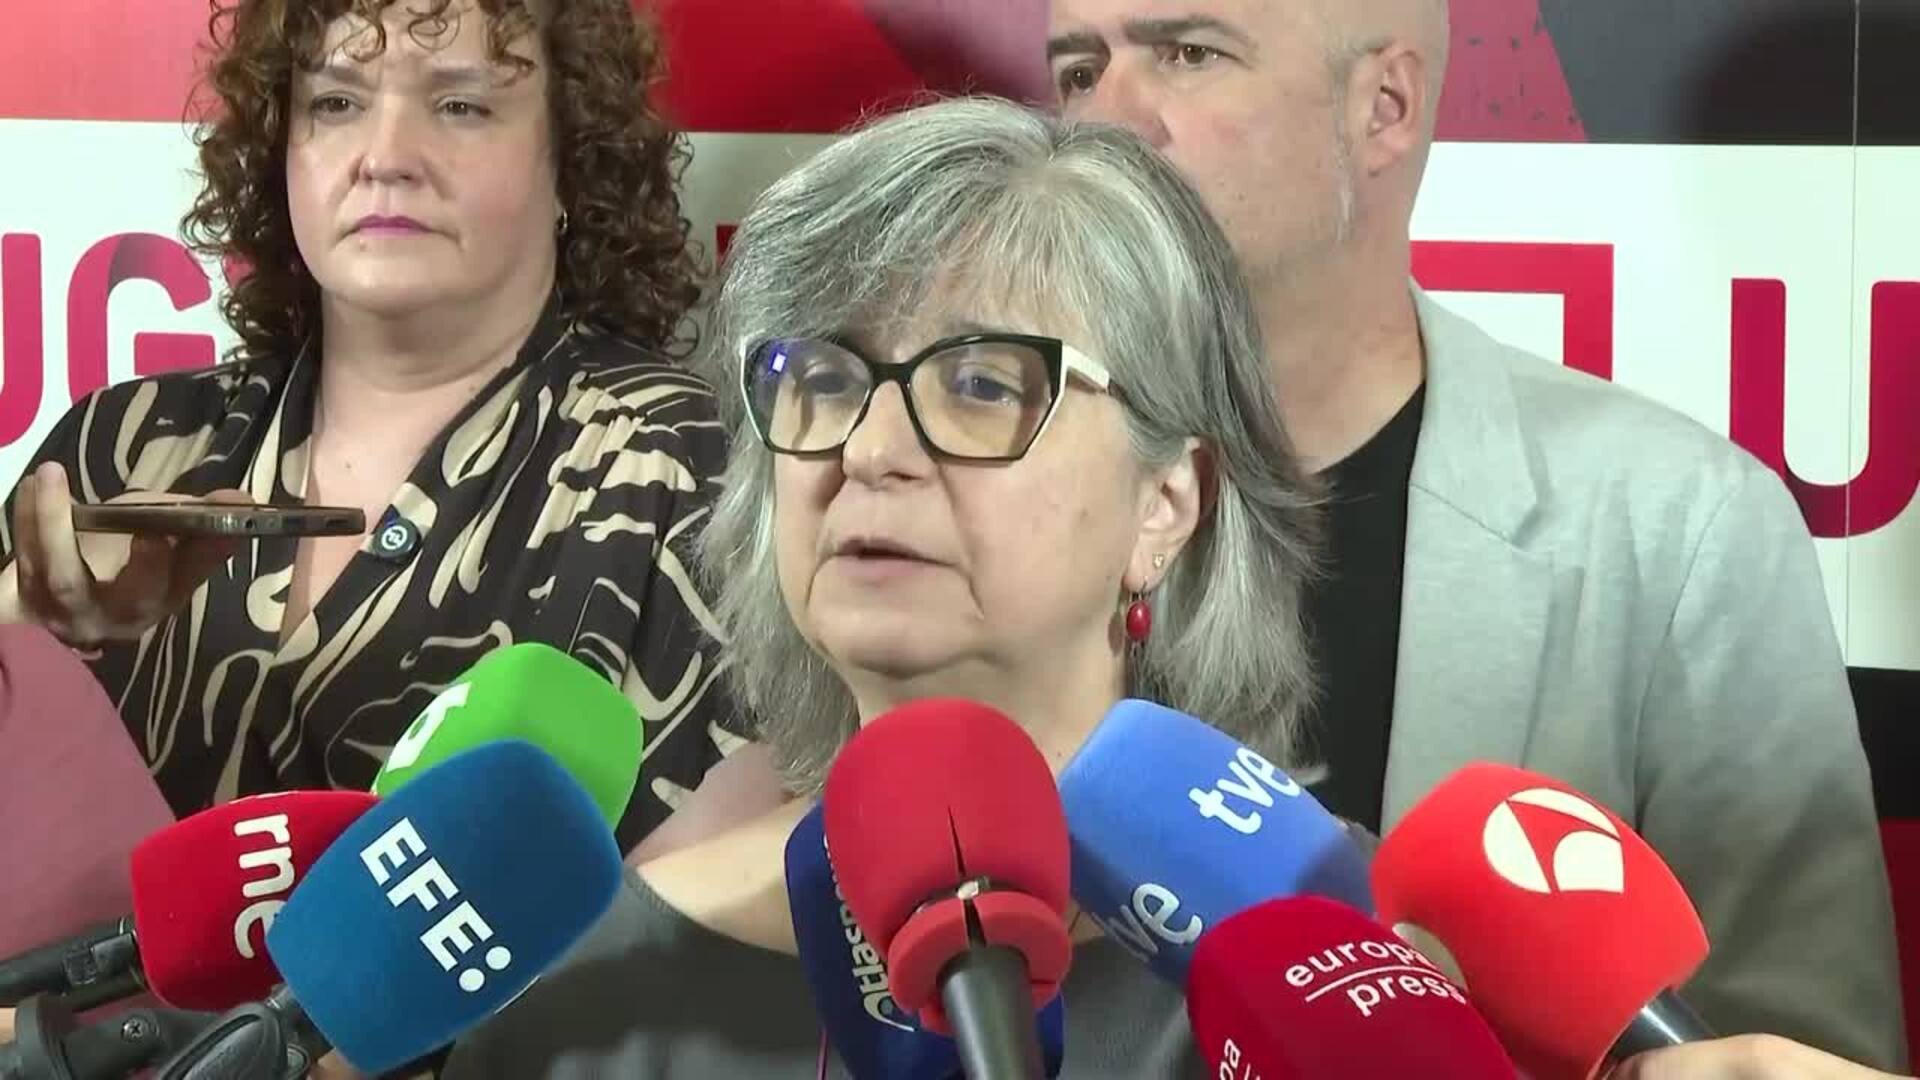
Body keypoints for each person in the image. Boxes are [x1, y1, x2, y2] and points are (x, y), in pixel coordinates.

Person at [1036, 0, 1903, 1068]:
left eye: (1188, 54)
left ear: (1384, 105)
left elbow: (1807, 1050)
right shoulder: (968, 499)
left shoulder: (1680, 527)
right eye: (1079, 72)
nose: (1108, 122)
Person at [436, 95, 1320, 1077]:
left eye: (981, 384)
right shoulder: (593, 999)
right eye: (822, 380)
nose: (867, 449)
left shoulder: (1337, 948)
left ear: (1166, 502)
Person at [0, 0, 740, 854]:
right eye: (336, 102)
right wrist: (21, 624)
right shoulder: (122, 444)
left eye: (461, 105)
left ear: (572, 158)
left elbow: (708, 903)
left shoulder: (679, 470)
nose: (385, 158)